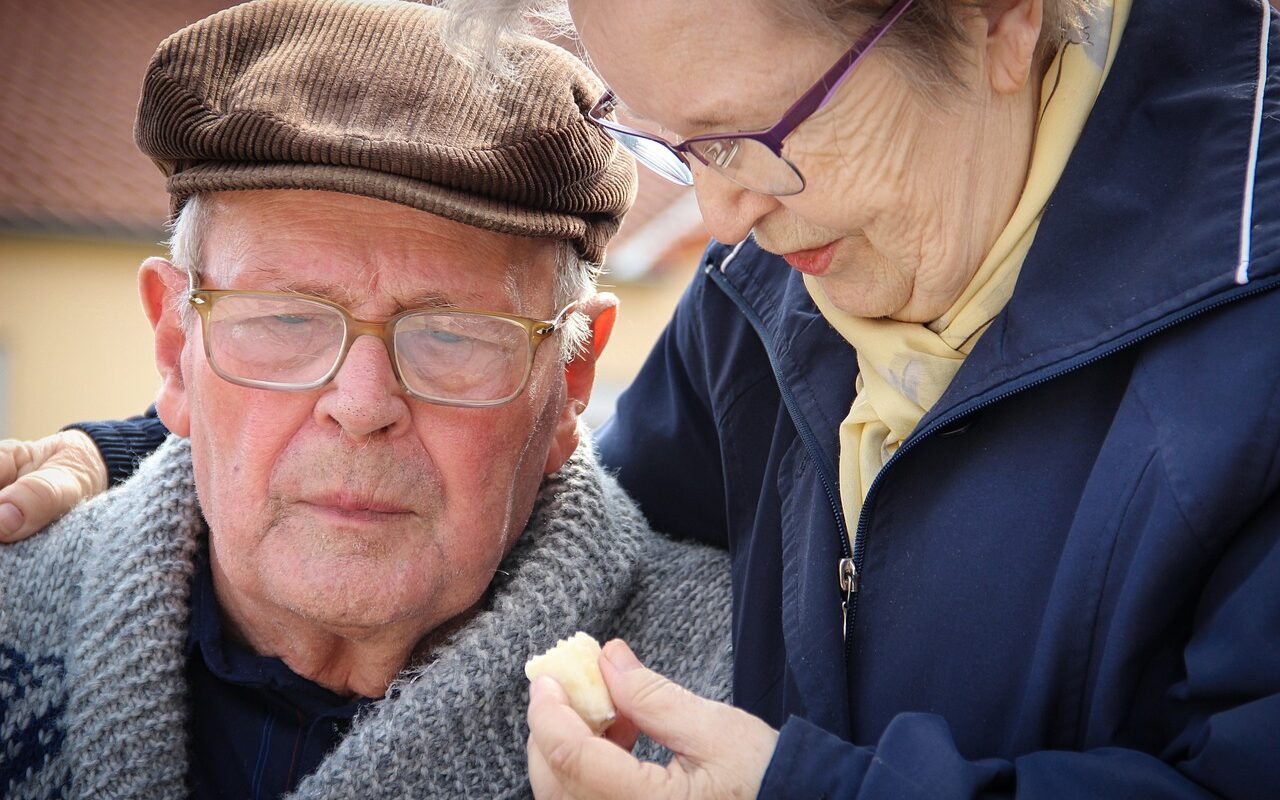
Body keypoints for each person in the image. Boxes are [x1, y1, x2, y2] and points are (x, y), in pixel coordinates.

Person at [4, 0, 1279, 796]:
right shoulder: (765, 293)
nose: (717, 221)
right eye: (674, 148)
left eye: (754, 133)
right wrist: (137, 462)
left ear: (998, 19)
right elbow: (526, 478)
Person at [0, 1, 734, 798]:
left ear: (571, 380)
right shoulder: (14, 604)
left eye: (452, 334)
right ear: (177, 350)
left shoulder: (739, 691)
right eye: (284, 318)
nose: (360, 404)